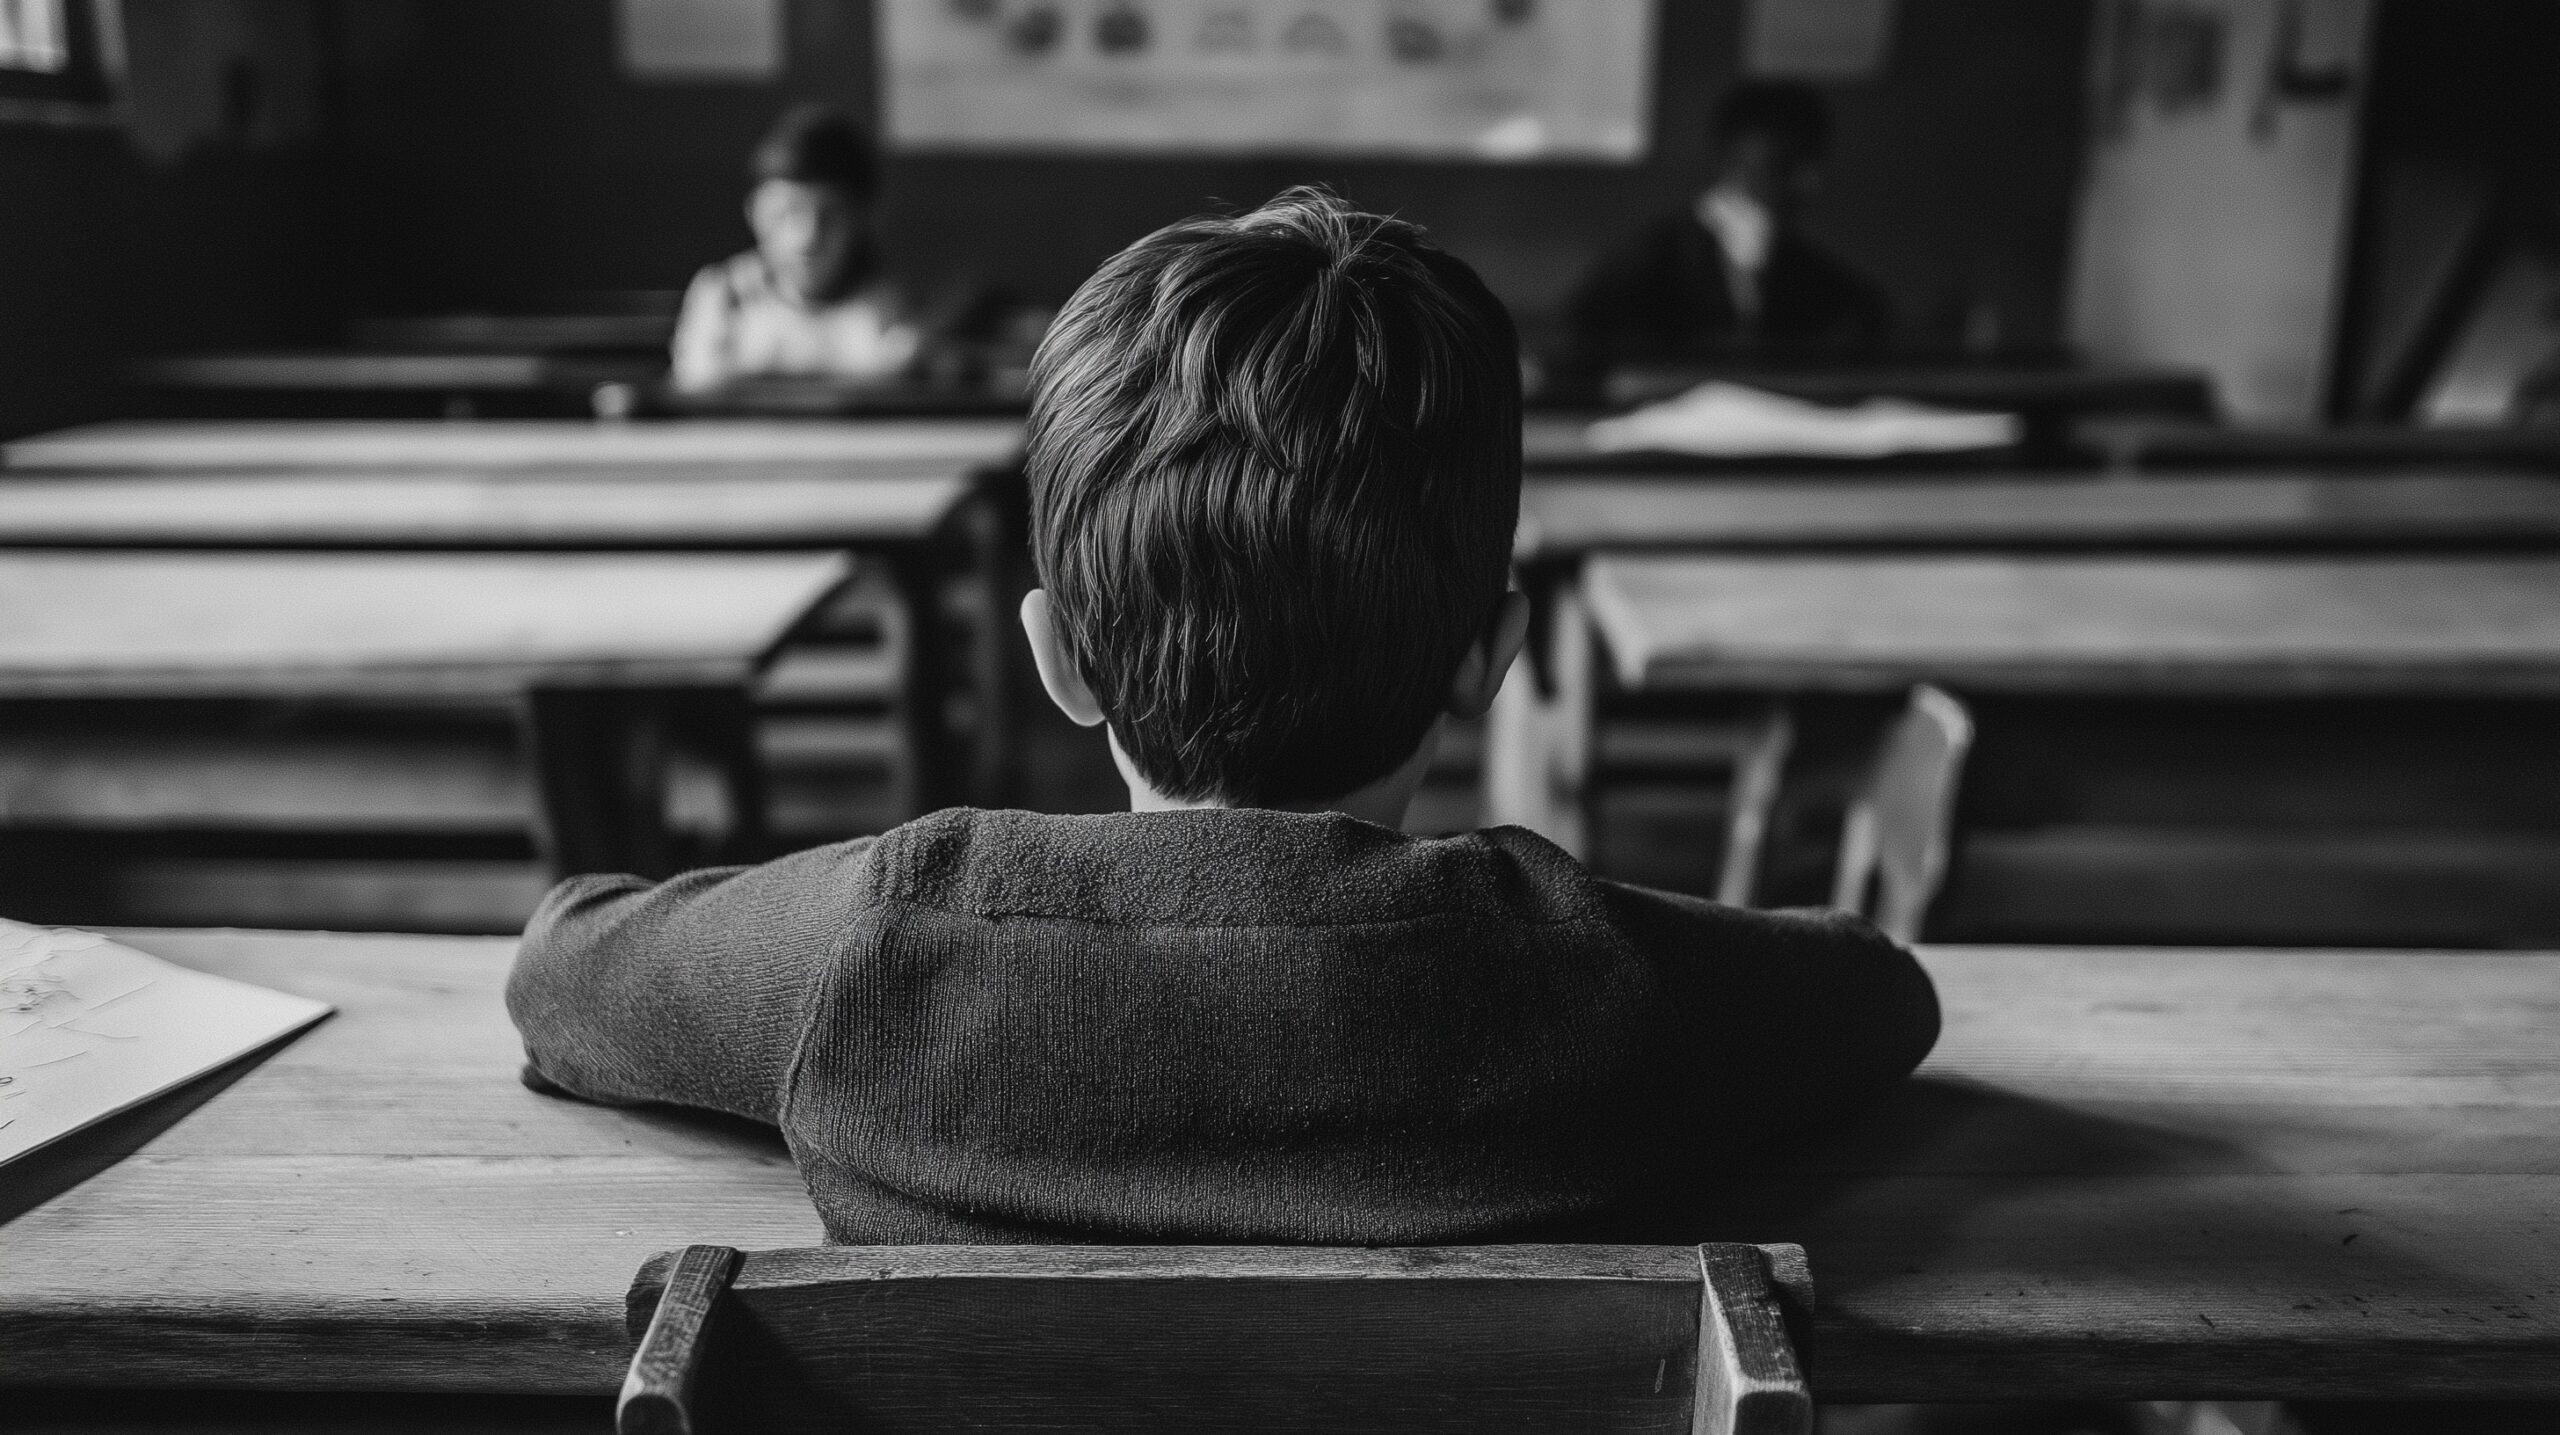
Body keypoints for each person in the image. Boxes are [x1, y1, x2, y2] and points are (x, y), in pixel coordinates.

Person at [508, 188, 1938, 1245]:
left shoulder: (868, 949)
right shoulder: (1612, 989)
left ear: (1059, 657)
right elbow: (1883, 994)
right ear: (1488, 657)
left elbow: (562, 969)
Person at [1563, 80, 1892, 382]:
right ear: (1736, 154)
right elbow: (1593, 330)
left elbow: (1864, 315)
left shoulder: (1812, 270)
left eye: (1812, 162)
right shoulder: (1654, 253)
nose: (1809, 183)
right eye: (1785, 162)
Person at [669, 105, 926, 392]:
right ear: (754, 212)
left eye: (829, 216)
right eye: (785, 213)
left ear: (862, 219)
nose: (807, 238)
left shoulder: (892, 307)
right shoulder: (725, 295)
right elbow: (697, 395)